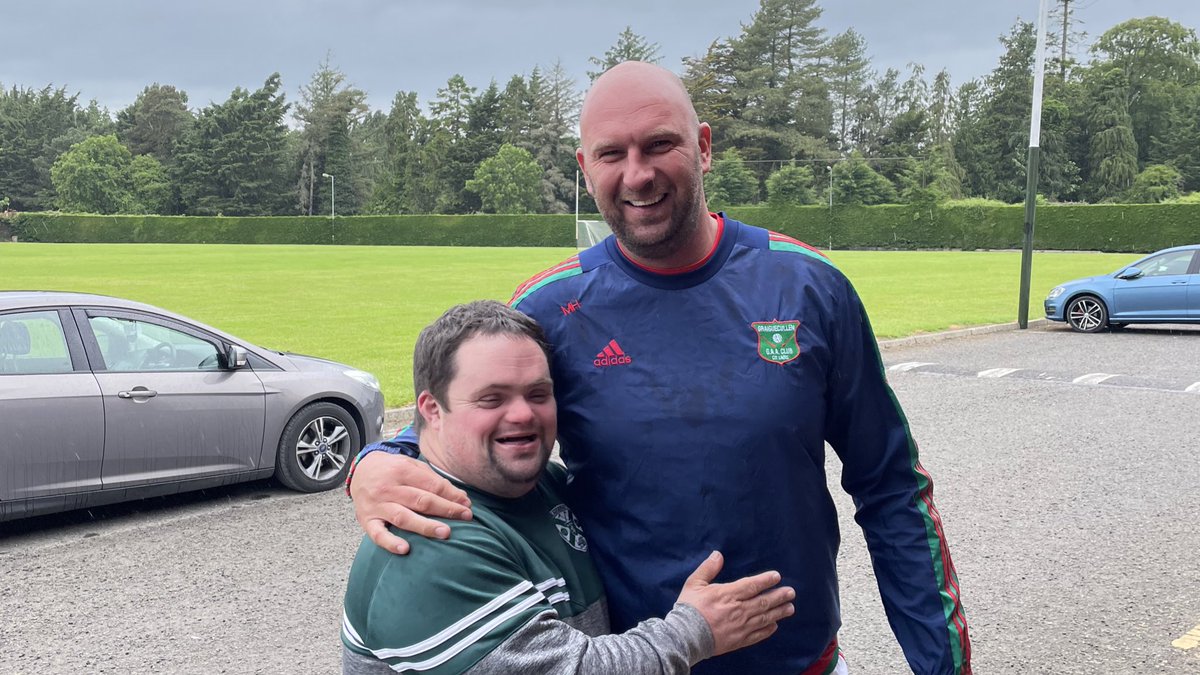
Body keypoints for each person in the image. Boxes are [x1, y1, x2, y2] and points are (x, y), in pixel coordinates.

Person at [349, 62, 971, 674]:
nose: (638, 174)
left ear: (704, 147)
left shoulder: (809, 286)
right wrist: (373, 464)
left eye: (659, 145)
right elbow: (467, 413)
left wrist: (942, 666)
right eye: (611, 154)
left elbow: (890, 487)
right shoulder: (551, 307)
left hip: (801, 662)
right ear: (585, 167)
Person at [341, 300, 796, 674]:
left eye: (538, 394)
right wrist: (696, 631)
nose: (523, 414)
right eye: (491, 399)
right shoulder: (429, 538)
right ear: (432, 410)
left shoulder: (547, 485)